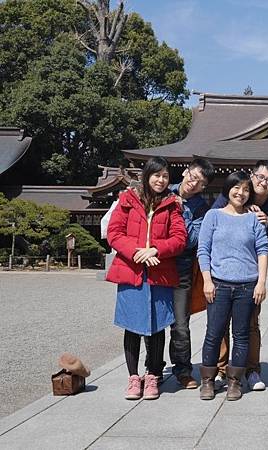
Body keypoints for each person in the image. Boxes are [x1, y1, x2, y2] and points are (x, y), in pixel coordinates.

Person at [106, 156, 187, 401]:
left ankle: (152, 375)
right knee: (132, 327)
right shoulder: (127, 200)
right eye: (156, 175)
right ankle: (133, 377)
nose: (161, 180)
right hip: (131, 272)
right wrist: (137, 253)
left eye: (165, 176)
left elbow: (179, 238)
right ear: (146, 175)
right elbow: (114, 233)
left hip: (159, 273)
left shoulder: (173, 205)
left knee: (156, 327)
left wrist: (156, 250)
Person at [211, 160, 268, 391]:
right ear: (252, 176)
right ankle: (222, 370)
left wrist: (267, 225)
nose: (263, 182)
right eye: (260, 177)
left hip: (249, 276)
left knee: (250, 326)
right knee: (220, 325)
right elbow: (213, 228)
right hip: (222, 273)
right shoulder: (234, 194)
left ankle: (251, 370)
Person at [197, 171, 268, 401]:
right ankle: (207, 381)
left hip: (247, 285)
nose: (241, 193)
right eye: (236, 188)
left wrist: (261, 282)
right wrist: (207, 280)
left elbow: (262, 251)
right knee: (214, 334)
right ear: (227, 189)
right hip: (218, 284)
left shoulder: (253, 219)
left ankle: (235, 382)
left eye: (246, 189)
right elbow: (203, 250)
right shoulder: (213, 216)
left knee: (242, 335)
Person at [158, 158, 215, 390]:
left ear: (203, 187)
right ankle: (153, 368)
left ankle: (182, 369)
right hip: (155, 265)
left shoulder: (201, 207)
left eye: (200, 182)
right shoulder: (162, 191)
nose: (194, 183)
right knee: (153, 322)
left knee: (180, 323)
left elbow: (192, 240)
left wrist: (181, 213)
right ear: (184, 172)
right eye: (193, 176)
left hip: (181, 268)